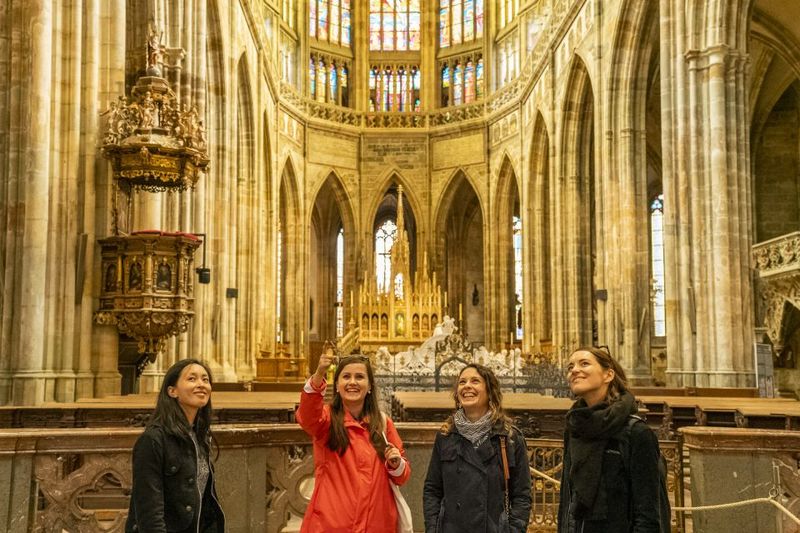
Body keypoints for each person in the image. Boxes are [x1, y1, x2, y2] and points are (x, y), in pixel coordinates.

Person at [297, 351, 410, 532]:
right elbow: (307, 416)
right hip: (333, 522)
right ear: (337, 384)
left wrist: (396, 463)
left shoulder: (382, 423)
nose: (352, 382)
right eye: (346, 377)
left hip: (377, 522)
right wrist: (319, 374)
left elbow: (402, 476)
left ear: (370, 385)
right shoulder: (326, 421)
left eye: (359, 377)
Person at [557, 346, 666, 532]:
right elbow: (568, 497)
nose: (574, 370)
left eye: (584, 363)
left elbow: (648, 513)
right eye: (570, 366)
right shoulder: (575, 427)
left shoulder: (636, 432)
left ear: (608, 375)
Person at [423, 363, 532, 532]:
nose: (467, 386)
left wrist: (514, 530)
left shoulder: (508, 437)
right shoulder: (446, 435)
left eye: (475, 381)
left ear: (490, 391)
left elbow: (521, 495)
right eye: (462, 382)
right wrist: (433, 528)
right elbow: (432, 489)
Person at [125, 359, 225, 533]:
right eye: (192, 379)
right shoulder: (153, 440)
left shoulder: (199, 436)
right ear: (172, 391)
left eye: (205, 379)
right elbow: (150, 513)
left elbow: (206, 502)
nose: (201, 385)